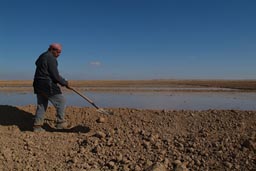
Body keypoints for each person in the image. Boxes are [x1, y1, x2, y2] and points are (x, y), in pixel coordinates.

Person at [33, 43, 70, 132]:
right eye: (58, 52)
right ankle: (60, 123)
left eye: (60, 52)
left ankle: (37, 126)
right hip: (46, 84)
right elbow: (55, 76)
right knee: (61, 101)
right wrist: (65, 83)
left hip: (38, 84)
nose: (59, 54)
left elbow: (36, 63)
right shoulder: (50, 58)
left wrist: (63, 82)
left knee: (42, 104)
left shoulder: (42, 56)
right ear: (52, 49)